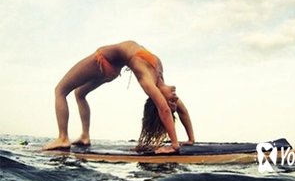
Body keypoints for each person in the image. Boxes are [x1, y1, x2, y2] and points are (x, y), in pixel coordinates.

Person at [42, 40, 195, 153]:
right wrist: (191, 139)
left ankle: (62, 137)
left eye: (171, 101)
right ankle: (85, 136)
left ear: (160, 98)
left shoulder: (147, 81)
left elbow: (164, 110)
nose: (175, 98)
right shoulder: (159, 74)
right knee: (80, 93)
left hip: (102, 60)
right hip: (113, 69)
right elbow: (182, 111)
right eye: (174, 101)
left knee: (60, 90)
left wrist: (174, 145)